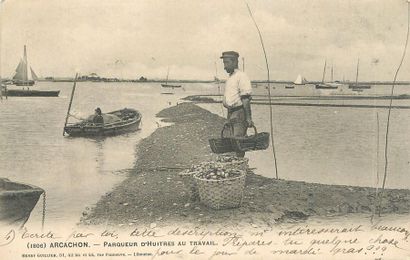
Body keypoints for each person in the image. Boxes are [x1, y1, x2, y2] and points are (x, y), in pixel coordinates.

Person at [220, 51, 254, 157]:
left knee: (239, 142)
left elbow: (245, 99)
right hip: (231, 113)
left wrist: (248, 118)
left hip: (240, 113)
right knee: (230, 140)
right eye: (224, 63)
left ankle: (240, 165)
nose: (224, 67)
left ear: (234, 61)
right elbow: (231, 99)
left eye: (226, 63)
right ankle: (234, 165)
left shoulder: (242, 76)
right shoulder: (231, 77)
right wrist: (228, 117)